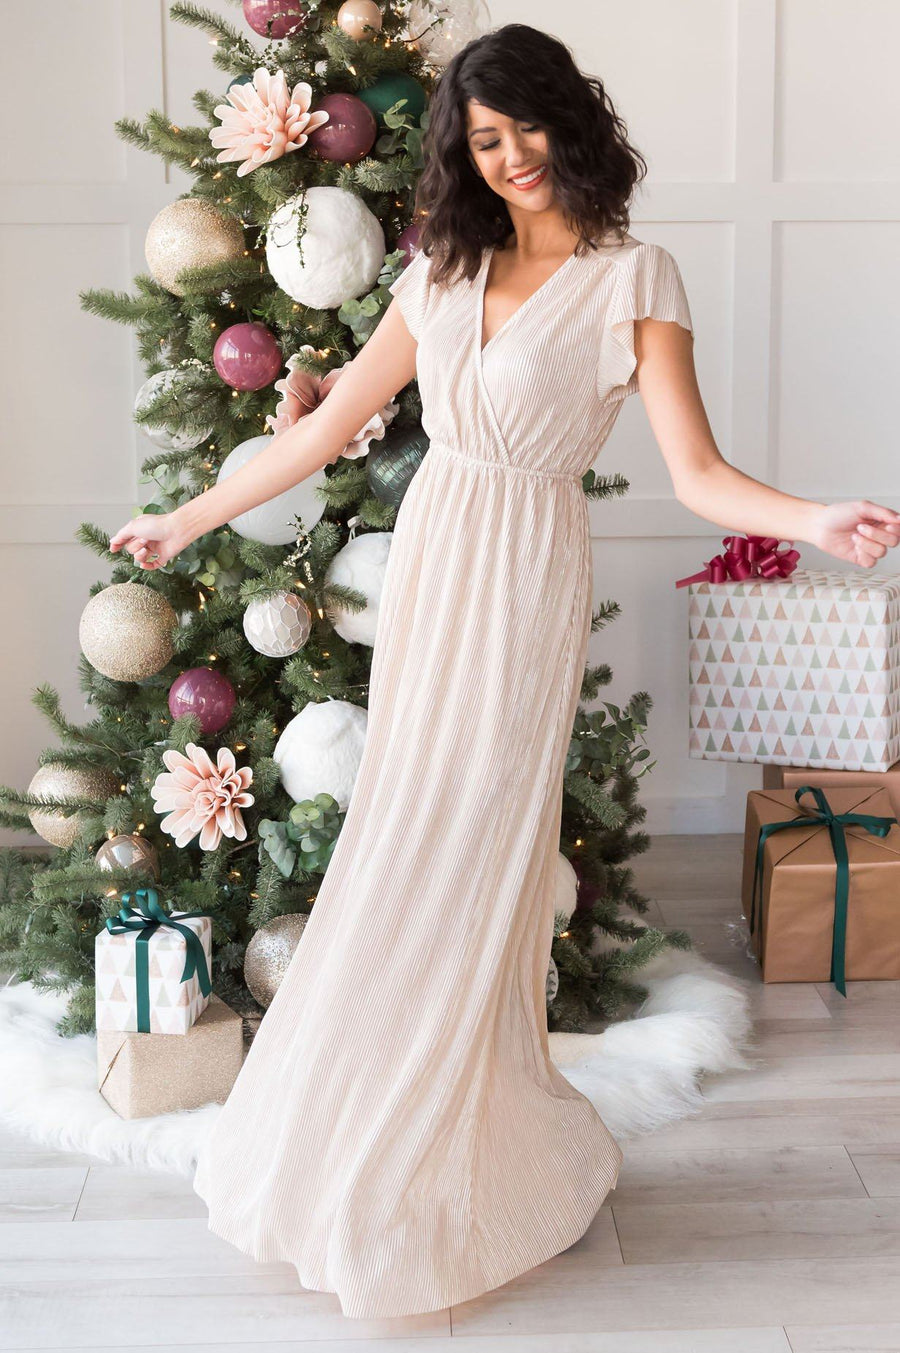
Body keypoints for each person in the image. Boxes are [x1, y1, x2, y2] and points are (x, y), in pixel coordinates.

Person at [109, 23, 900, 1320]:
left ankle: (444, 1143)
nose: (513, 154)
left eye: (528, 125)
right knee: (400, 841)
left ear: (570, 122)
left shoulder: (634, 278)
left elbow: (698, 472)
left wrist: (815, 518)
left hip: (527, 576)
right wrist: (187, 521)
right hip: (435, 569)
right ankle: (349, 1143)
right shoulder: (443, 271)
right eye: (485, 138)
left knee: (475, 857)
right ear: (463, 154)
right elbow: (324, 432)